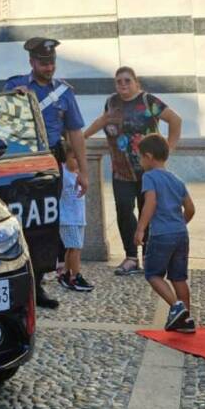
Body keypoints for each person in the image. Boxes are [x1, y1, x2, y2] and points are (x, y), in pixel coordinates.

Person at [5, 37, 89, 309]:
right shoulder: (13, 86)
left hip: (52, 160)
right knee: (23, 222)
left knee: (47, 224)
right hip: (22, 158)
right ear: (32, 62)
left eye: (51, 62)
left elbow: (75, 132)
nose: (48, 67)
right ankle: (18, 281)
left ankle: (38, 284)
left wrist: (83, 172)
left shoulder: (64, 93)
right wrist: (12, 102)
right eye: (43, 62)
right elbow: (1, 122)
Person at [84, 67, 182, 276]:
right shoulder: (112, 102)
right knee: (124, 212)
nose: (123, 85)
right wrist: (81, 138)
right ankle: (131, 257)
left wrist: (167, 151)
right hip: (121, 171)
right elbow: (102, 121)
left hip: (148, 172)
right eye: (119, 81)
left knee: (148, 212)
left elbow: (175, 120)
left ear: (136, 82)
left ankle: (149, 257)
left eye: (127, 80)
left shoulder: (148, 101)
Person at [134, 134, 196, 332]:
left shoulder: (149, 177)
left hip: (161, 235)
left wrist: (141, 229)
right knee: (179, 278)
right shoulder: (176, 179)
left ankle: (177, 308)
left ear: (149, 156)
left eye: (140, 157)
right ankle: (186, 320)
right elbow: (191, 209)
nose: (140, 161)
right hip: (180, 234)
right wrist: (179, 224)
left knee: (153, 273)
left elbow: (150, 203)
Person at [58, 140, 92, 292]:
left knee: (72, 248)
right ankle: (75, 276)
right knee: (75, 248)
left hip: (78, 218)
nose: (78, 162)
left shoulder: (77, 174)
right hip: (68, 218)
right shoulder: (64, 174)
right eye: (74, 158)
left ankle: (65, 273)